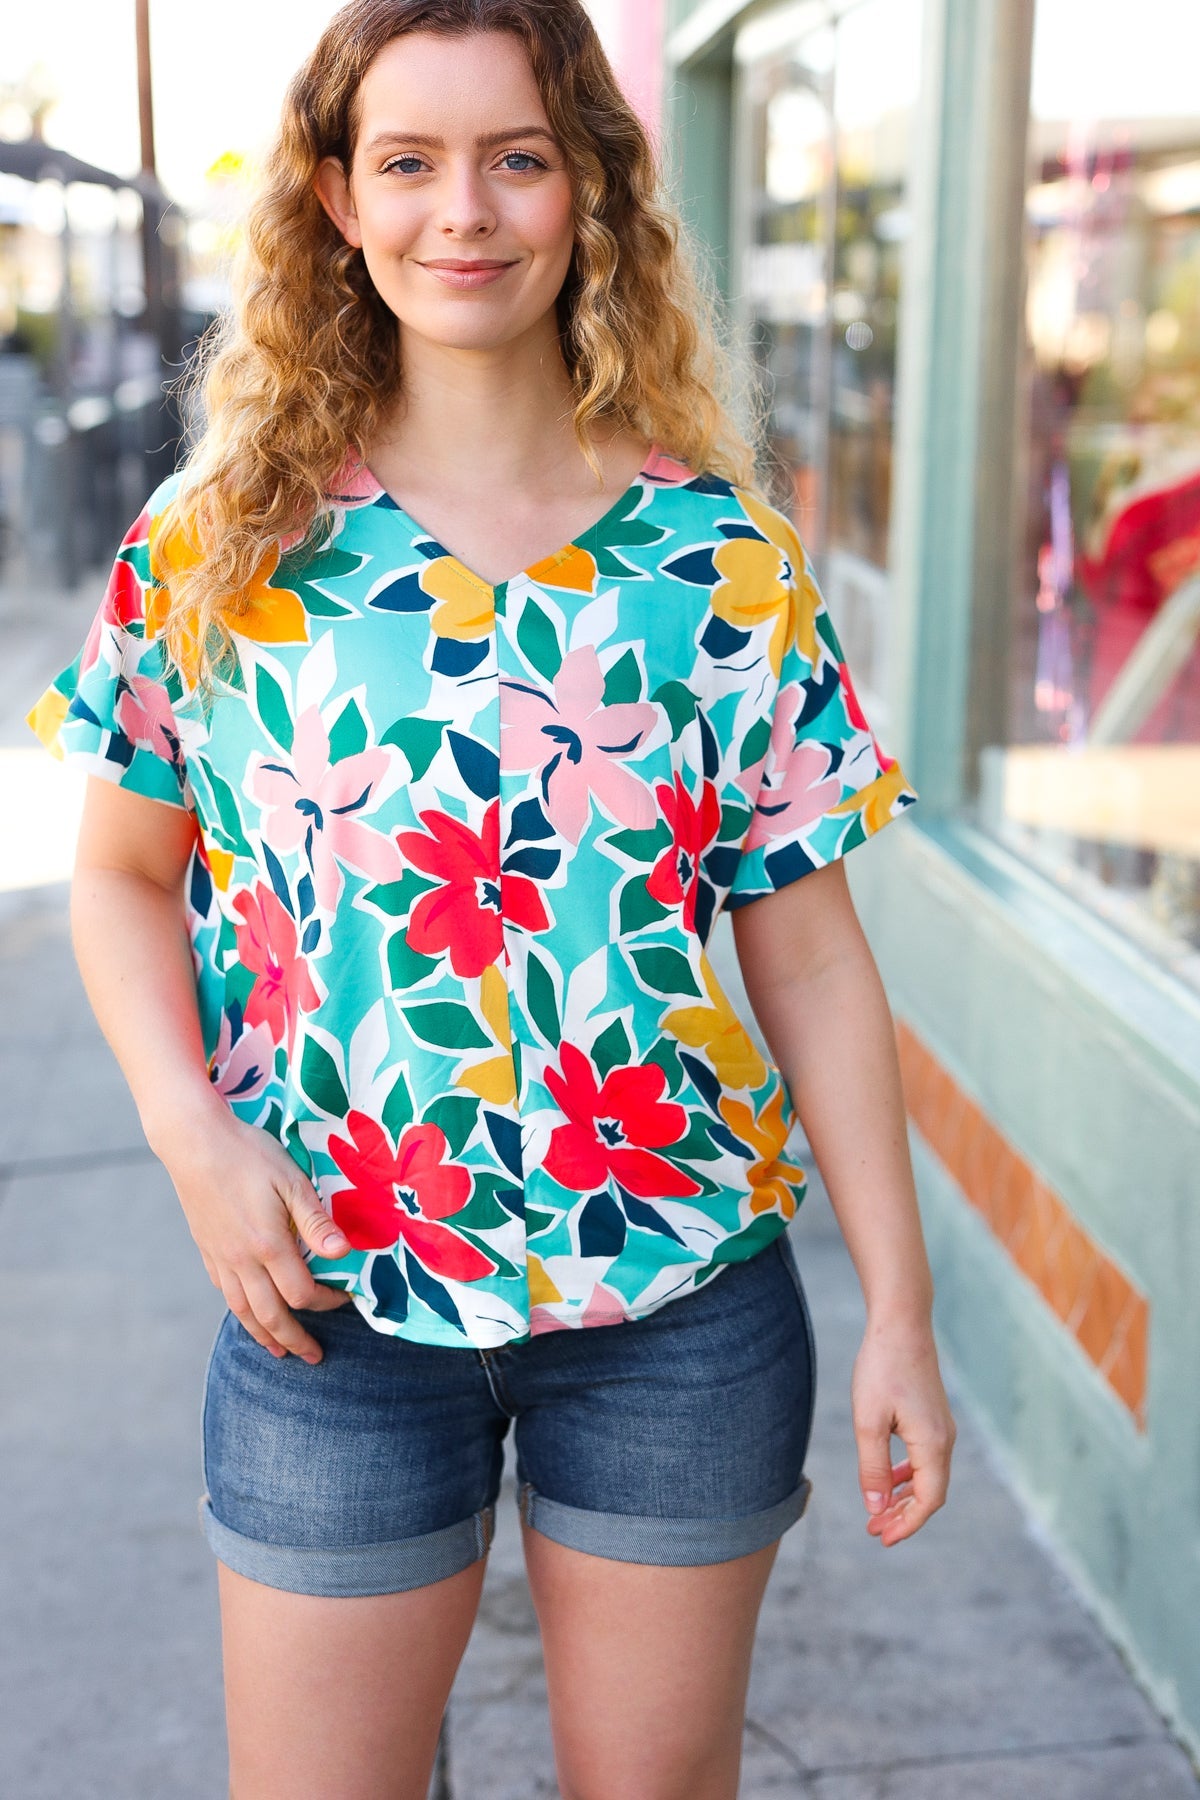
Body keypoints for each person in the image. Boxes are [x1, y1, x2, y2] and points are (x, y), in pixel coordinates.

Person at [28, 3, 955, 1795]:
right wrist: (187, 1133)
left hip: (678, 1304)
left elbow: (817, 960)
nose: (468, 210)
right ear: (339, 199)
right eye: (413, 161)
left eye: (519, 156)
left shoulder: (722, 562)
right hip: (329, 1299)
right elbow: (120, 877)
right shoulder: (222, 545)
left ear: (589, 191)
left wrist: (901, 1312)